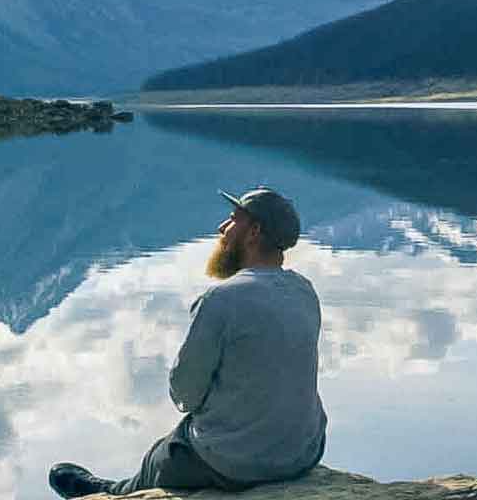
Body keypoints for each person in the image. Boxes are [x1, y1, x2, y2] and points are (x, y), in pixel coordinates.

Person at [49, 187, 327, 498]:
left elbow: (185, 393)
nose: (222, 228)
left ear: (254, 231)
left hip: (239, 464)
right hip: (303, 452)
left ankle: (111, 492)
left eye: (233, 219)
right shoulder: (305, 292)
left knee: (166, 453)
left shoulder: (222, 299)